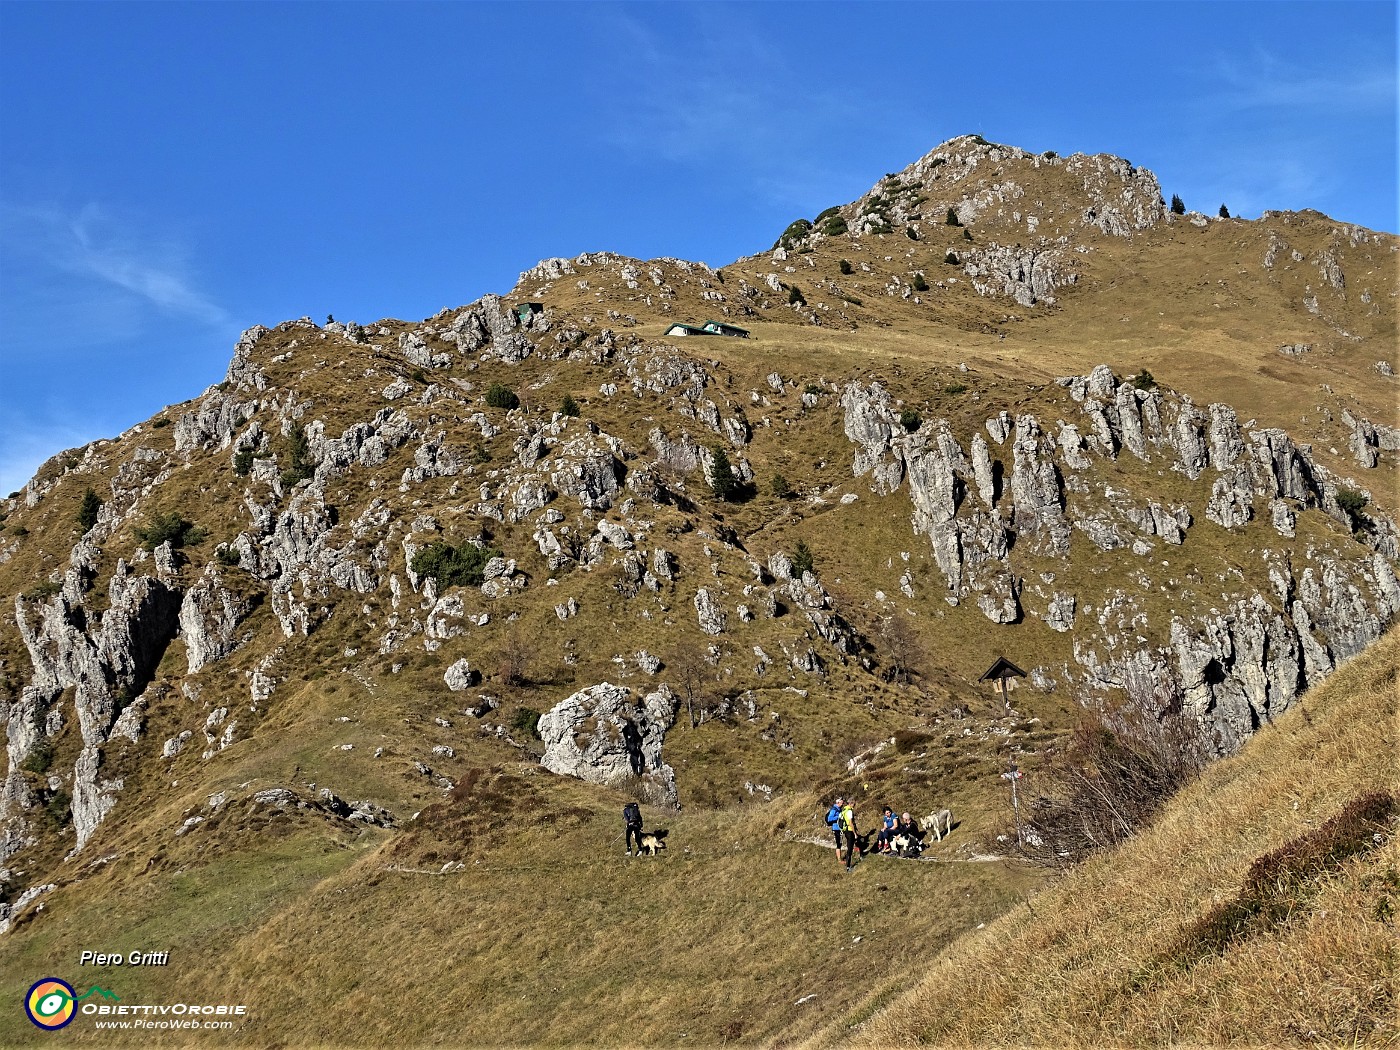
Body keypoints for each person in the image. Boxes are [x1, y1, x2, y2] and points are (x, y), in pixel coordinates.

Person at [839, 798, 859, 871]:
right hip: (850, 831)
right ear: (851, 803)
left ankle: (848, 865)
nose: (854, 805)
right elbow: (850, 823)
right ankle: (848, 867)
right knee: (850, 849)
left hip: (845, 830)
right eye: (854, 804)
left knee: (849, 846)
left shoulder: (844, 809)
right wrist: (855, 833)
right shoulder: (849, 811)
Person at [825, 797, 845, 863]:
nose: (842, 804)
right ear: (838, 803)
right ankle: (839, 860)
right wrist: (838, 816)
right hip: (836, 828)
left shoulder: (839, 809)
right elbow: (829, 819)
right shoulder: (834, 809)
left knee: (840, 843)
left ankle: (840, 859)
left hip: (839, 828)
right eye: (841, 803)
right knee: (838, 844)